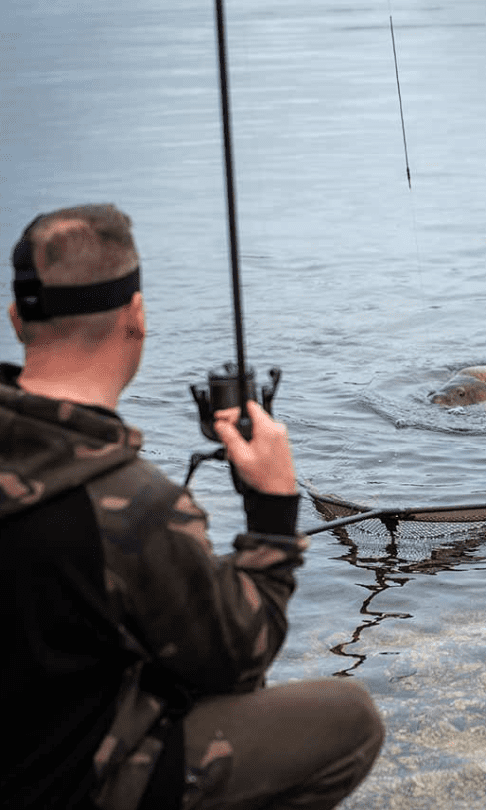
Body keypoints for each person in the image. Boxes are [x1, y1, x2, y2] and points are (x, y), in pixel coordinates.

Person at [1, 205, 384, 810]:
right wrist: (274, 514)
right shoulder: (134, 502)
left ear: (17, 319)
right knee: (350, 721)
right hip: (68, 786)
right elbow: (237, 662)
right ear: (137, 317)